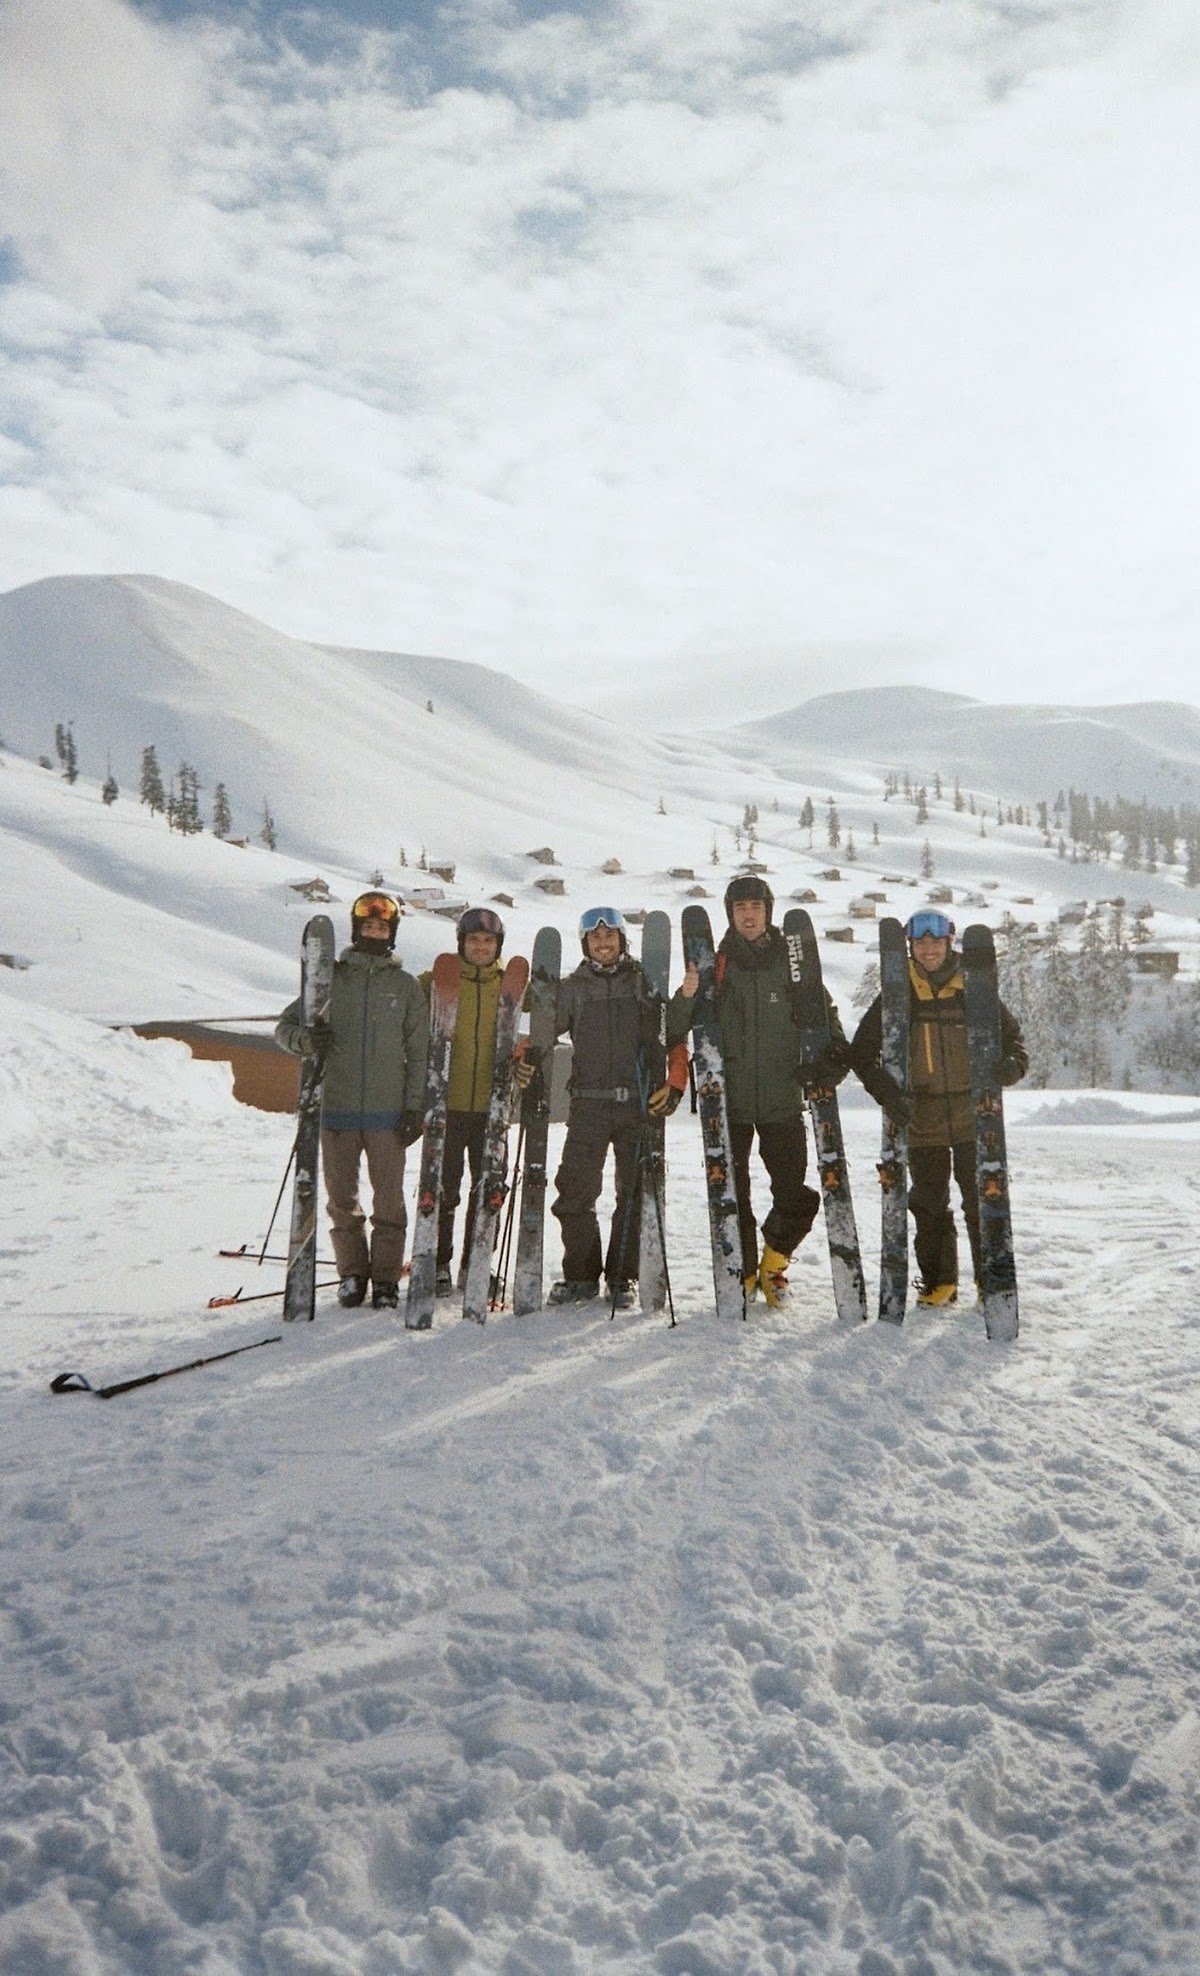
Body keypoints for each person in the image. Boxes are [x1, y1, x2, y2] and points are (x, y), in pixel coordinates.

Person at [668, 875, 850, 1309]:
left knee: (796, 1195)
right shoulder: (715, 965)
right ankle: (746, 1271)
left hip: (782, 1100)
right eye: (740, 908)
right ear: (730, 914)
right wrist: (685, 995)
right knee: (736, 1197)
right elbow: (673, 1030)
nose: (748, 916)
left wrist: (833, 1058)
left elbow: (826, 1017)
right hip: (727, 1104)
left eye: (755, 907)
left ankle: (773, 1262)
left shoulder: (792, 963)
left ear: (767, 910)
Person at [849, 910, 1028, 1308]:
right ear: (911, 946)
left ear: (950, 943)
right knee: (929, 1205)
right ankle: (940, 1282)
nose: (929, 949)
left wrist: (1010, 1067)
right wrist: (888, 1095)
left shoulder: (975, 989)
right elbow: (861, 1053)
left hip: (974, 1118)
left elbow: (1016, 1044)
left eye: (937, 941)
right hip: (921, 1118)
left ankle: (989, 1281)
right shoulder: (898, 992)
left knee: (982, 1201)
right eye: (921, 942)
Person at [275, 891, 428, 1310]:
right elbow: (284, 1028)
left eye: (382, 927)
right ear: (357, 930)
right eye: (368, 926)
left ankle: (384, 1280)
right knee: (342, 1200)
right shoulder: (332, 979)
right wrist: (304, 1039)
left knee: (389, 1202)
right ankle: (352, 1275)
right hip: (337, 1108)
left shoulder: (406, 987)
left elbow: (419, 1053)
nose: (375, 932)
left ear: (391, 933)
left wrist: (414, 1107)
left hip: (387, 1112)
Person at [548, 908, 687, 1308]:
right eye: (595, 939)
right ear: (585, 943)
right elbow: (543, 1029)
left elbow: (672, 1032)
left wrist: (676, 1080)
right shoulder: (573, 988)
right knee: (574, 1191)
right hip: (588, 1106)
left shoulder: (643, 983)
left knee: (634, 1193)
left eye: (610, 937)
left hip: (636, 1105)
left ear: (622, 941)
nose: (603, 944)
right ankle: (581, 1276)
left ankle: (622, 1277)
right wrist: (525, 1048)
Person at [419, 906, 531, 1296]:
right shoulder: (438, 982)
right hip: (445, 1105)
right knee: (443, 1188)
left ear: (498, 945)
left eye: (488, 940)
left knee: (488, 1188)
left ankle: (476, 1262)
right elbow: (408, 1022)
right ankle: (438, 1264)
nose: (481, 946)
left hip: (492, 1107)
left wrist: (526, 1053)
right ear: (461, 944)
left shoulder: (512, 986)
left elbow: (543, 1026)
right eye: (473, 940)